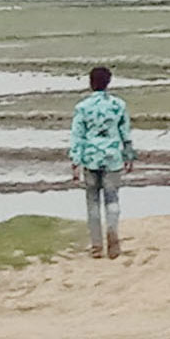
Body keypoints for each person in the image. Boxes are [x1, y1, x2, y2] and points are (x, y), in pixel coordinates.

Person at [67, 64, 137, 258]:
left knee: (92, 202)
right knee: (112, 199)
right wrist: (129, 156)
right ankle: (113, 235)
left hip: (90, 159)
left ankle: (96, 245)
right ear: (108, 82)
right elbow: (125, 133)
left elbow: (77, 136)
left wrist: (75, 161)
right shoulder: (118, 105)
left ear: (90, 83)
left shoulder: (82, 107)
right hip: (113, 157)